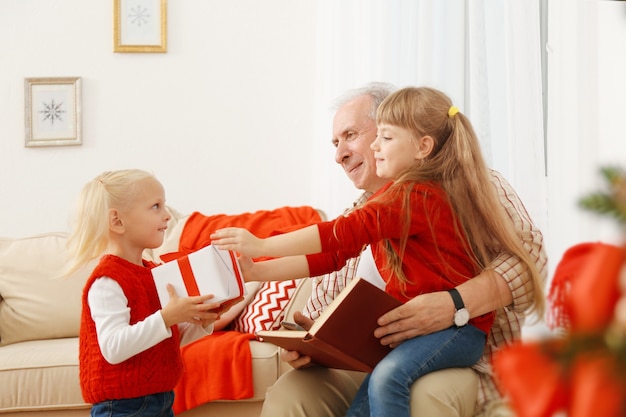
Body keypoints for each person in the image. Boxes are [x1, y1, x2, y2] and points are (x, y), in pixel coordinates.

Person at [212, 86, 545, 417]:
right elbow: (329, 257)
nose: (340, 154)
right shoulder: (366, 211)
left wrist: (456, 303)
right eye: (335, 143)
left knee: (406, 387)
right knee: (294, 392)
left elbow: (530, 259)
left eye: (353, 135)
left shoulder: (465, 186)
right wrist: (311, 338)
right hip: (378, 355)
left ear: (418, 143)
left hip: (459, 348)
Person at [65, 169, 228, 417]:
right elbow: (114, 347)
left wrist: (201, 321)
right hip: (122, 408)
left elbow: (163, 340)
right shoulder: (108, 280)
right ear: (117, 221)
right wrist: (166, 317)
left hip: (161, 399)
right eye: (155, 206)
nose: (167, 215)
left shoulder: (154, 273)